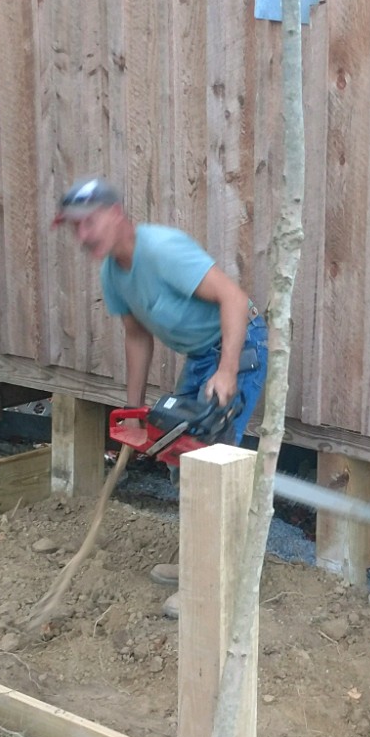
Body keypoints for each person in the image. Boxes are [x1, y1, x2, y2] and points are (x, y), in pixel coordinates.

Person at [55, 178, 269, 591]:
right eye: (74, 227)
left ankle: (218, 583)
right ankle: (200, 561)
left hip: (237, 346)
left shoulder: (161, 250)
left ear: (116, 215)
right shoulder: (113, 274)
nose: (82, 235)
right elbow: (137, 336)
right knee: (182, 457)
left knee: (214, 461)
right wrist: (133, 413)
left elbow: (235, 300)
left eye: (89, 223)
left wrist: (226, 372)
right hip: (201, 356)